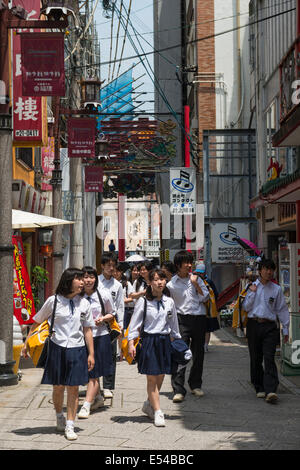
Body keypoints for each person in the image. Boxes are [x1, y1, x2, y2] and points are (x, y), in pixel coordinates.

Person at [22, 268, 95, 441]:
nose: (83, 282)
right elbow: (37, 322)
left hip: (77, 349)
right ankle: (59, 415)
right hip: (57, 347)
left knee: (74, 388)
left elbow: (87, 330)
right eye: (79, 279)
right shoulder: (53, 301)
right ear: (69, 281)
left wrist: (91, 353)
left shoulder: (84, 304)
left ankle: (70, 425)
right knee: (58, 387)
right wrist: (27, 343)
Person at [128, 269, 181, 427]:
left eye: (162, 279)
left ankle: (149, 404)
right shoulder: (143, 302)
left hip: (164, 341)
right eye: (156, 279)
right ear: (149, 283)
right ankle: (158, 412)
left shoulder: (169, 302)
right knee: (152, 377)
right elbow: (134, 324)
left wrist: (179, 343)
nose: (160, 282)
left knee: (161, 376)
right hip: (149, 340)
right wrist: (131, 343)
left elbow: (174, 325)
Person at [242, 258, 289, 404]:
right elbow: (246, 307)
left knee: (269, 357)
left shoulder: (277, 289)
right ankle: (259, 386)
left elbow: (282, 309)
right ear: (260, 270)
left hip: (270, 326)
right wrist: (252, 293)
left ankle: (271, 390)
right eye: (266, 269)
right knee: (256, 357)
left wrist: (286, 329)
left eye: (271, 269)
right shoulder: (252, 287)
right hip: (254, 325)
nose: (269, 272)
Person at [167, 250, 209, 403]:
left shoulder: (198, 279)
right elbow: (168, 306)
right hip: (181, 320)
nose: (189, 265)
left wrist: (196, 284)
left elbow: (205, 297)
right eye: (186, 262)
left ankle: (195, 384)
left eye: (190, 262)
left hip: (198, 319)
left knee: (199, 354)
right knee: (180, 354)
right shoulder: (171, 285)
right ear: (178, 265)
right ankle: (178, 389)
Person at [78, 266, 115, 419]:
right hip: (80, 337)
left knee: (93, 372)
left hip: (100, 336)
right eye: (85, 277)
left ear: (95, 279)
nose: (88, 280)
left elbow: (112, 313)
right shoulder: (76, 297)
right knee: (88, 371)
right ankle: (98, 398)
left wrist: (103, 318)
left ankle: (86, 405)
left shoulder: (103, 294)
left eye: (91, 277)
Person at [98, 253, 124, 398]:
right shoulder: (95, 282)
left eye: (113, 265)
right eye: (108, 265)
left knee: (111, 355)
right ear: (102, 266)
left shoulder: (117, 285)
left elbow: (120, 306)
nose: (111, 268)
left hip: (111, 324)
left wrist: (120, 326)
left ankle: (108, 386)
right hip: (96, 323)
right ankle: (93, 383)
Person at [193, 262, 220, 352]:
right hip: (199, 309)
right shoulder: (194, 280)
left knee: (207, 329)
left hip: (206, 309)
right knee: (202, 329)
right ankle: (202, 345)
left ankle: (205, 345)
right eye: (198, 273)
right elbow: (216, 294)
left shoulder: (206, 281)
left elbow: (215, 294)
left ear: (204, 273)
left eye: (201, 273)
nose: (200, 274)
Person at [114, 263, 134, 331]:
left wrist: (121, 301)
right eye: (114, 271)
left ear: (121, 272)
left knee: (123, 331)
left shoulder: (127, 284)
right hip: (113, 311)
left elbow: (132, 297)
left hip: (125, 310)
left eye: (118, 271)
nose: (116, 273)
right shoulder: (110, 284)